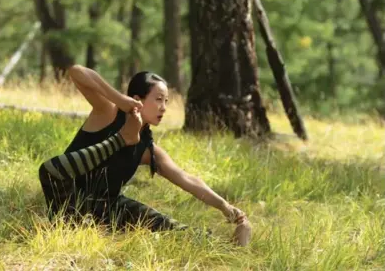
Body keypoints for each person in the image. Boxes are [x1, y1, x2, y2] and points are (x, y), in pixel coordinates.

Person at [38, 65, 251, 245]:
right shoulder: (108, 112)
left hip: (106, 207)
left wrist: (225, 206)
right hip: (69, 202)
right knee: (50, 170)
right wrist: (119, 99)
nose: (164, 107)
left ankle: (224, 246)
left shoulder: (148, 149)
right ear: (138, 99)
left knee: (162, 223)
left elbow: (186, 178)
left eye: (166, 101)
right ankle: (121, 138)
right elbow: (77, 72)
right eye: (159, 99)